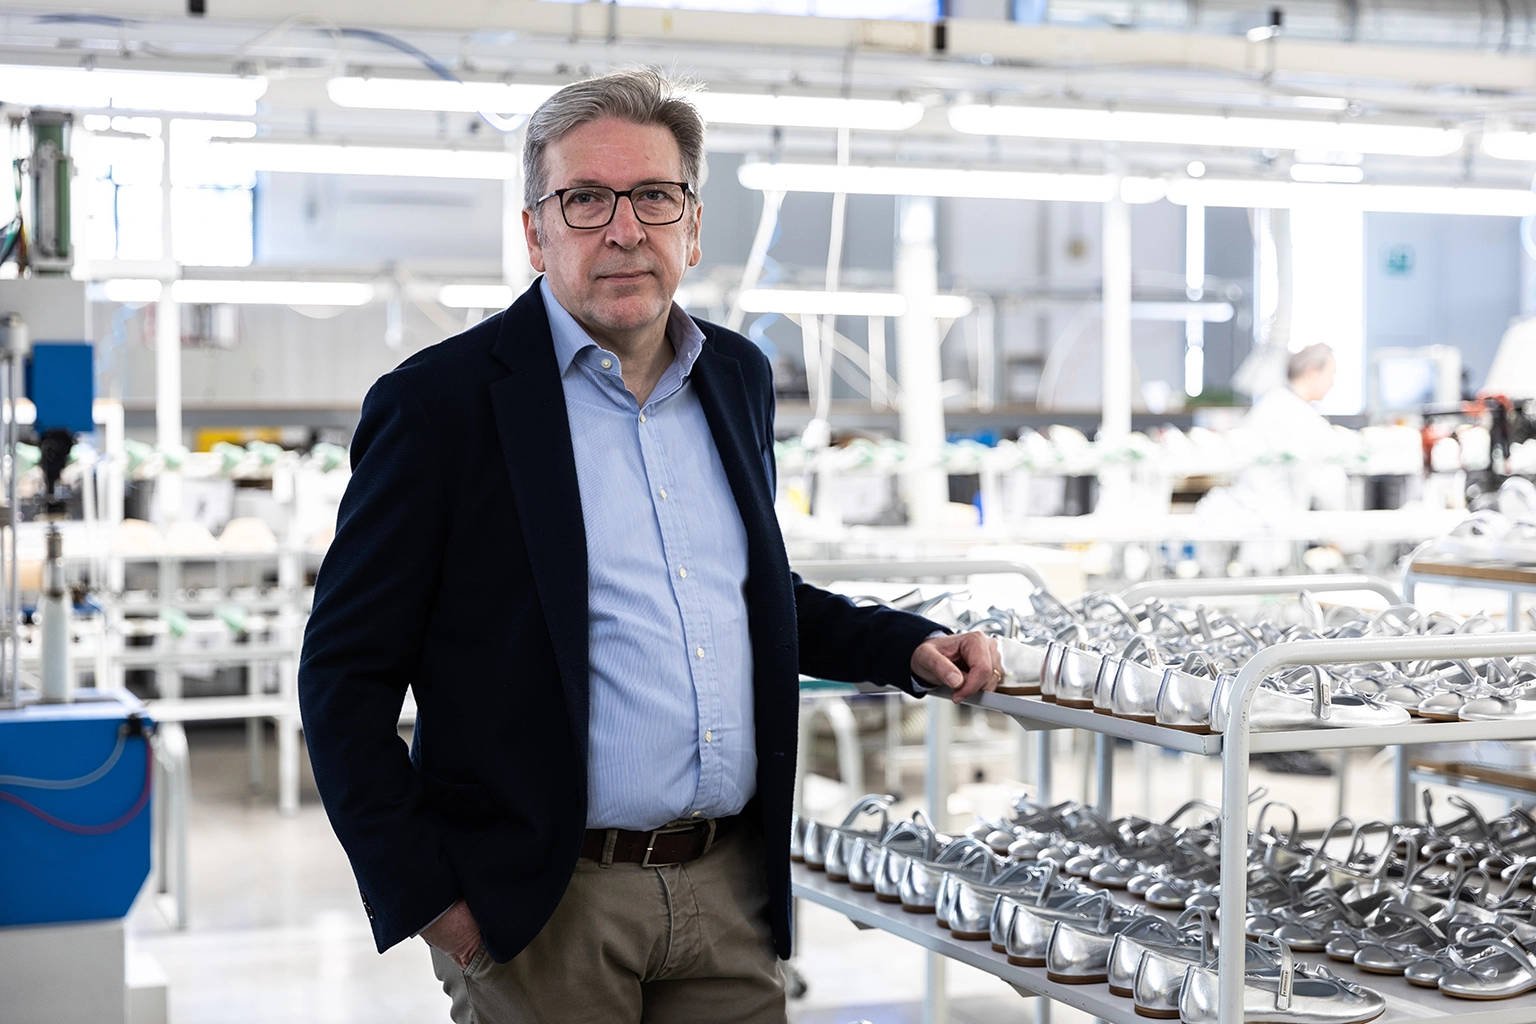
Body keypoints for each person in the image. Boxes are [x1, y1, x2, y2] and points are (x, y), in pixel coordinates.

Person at [297, 68, 1002, 1024]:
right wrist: (434, 904)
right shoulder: (440, 407)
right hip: (546, 909)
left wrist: (904, 647)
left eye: (655, 197)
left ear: (693, 226)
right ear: (536, 233)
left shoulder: (737, 378)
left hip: (728, 891)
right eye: (585, 199)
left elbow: (747, 595)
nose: (625, 230)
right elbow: (343, 680)